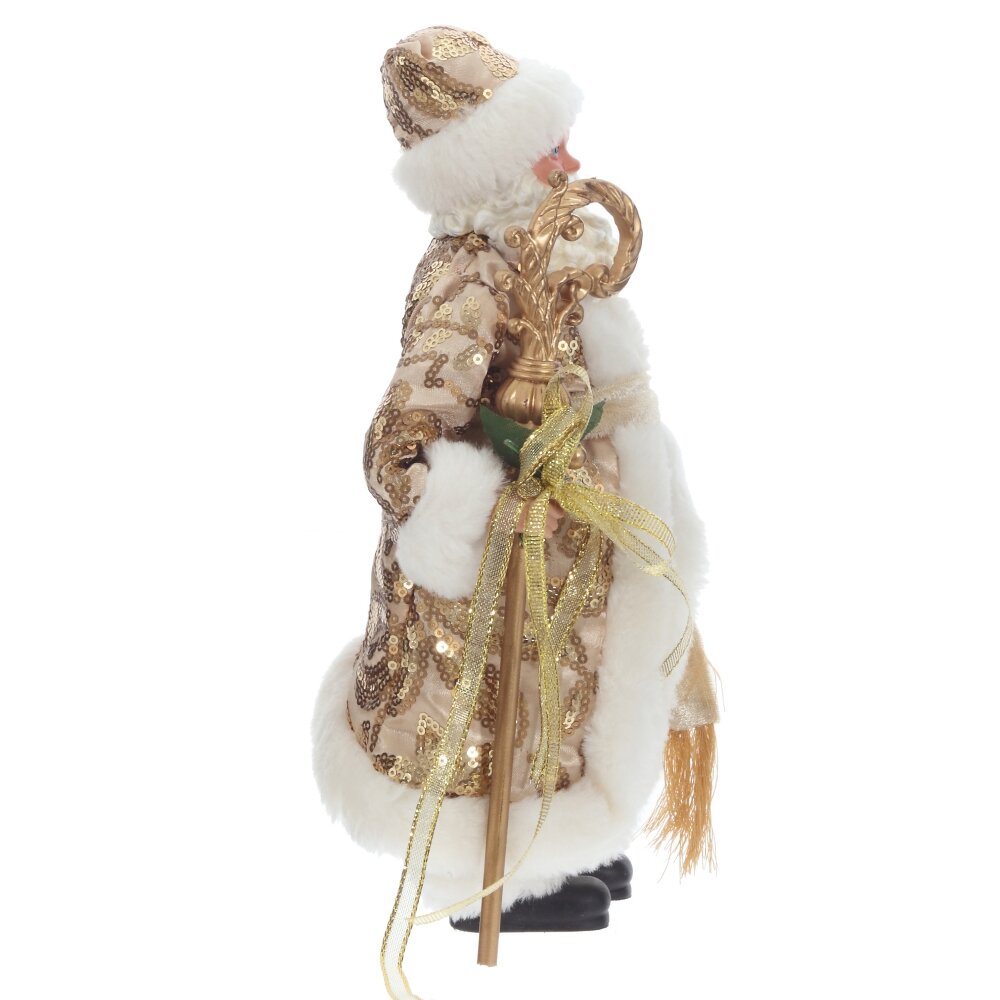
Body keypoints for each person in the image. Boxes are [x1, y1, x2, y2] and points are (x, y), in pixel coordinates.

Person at [311, 24, 719, 940]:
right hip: (512, 540)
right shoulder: (469, 273)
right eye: (546, 149)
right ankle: (498, 872)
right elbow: (409, 421)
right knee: (501, 692)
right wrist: (448, 509)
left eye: (562, 141)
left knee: (575, 679)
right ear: (489, 165)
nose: (568, 162)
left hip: (577, 528)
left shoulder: (554, 251)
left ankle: (563, 838)